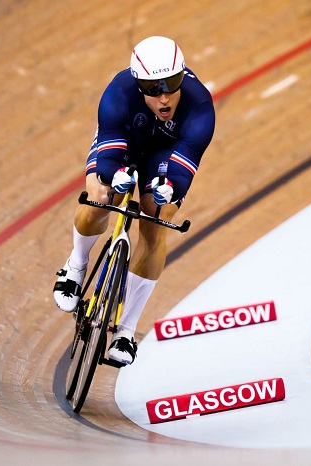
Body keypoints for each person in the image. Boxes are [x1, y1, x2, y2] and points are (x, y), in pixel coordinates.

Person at [53, 36, 215, 365]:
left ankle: (125, 332)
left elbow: (183, 169)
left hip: (164, 155)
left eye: (171, 83)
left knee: (155, 224)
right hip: (125, 141)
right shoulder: (118, 93)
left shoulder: (199, 107)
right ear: (138, 85)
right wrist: (114, 177)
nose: (164, 96)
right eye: (153, 88)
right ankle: (75, 267)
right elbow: (109, 159)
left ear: (183, 75)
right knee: (99, 196)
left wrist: (170, 187)